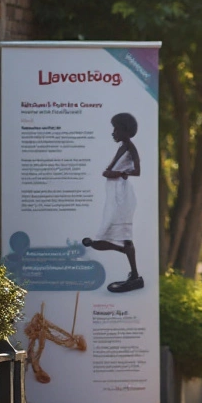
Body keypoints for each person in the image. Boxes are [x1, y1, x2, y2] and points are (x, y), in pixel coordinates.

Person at [82, 113, 143, 293]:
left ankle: (133, 270)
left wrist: (118, 174)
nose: (113, 132)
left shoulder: (130, 148)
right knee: (110, 237)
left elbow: (137, 171)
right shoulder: (122, 147)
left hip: (122, 197)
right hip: (114, 196)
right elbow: (110, 169)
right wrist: (110, 172)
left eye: (116, 129)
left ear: (125, 130)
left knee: (121, 235)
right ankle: (129, 262)